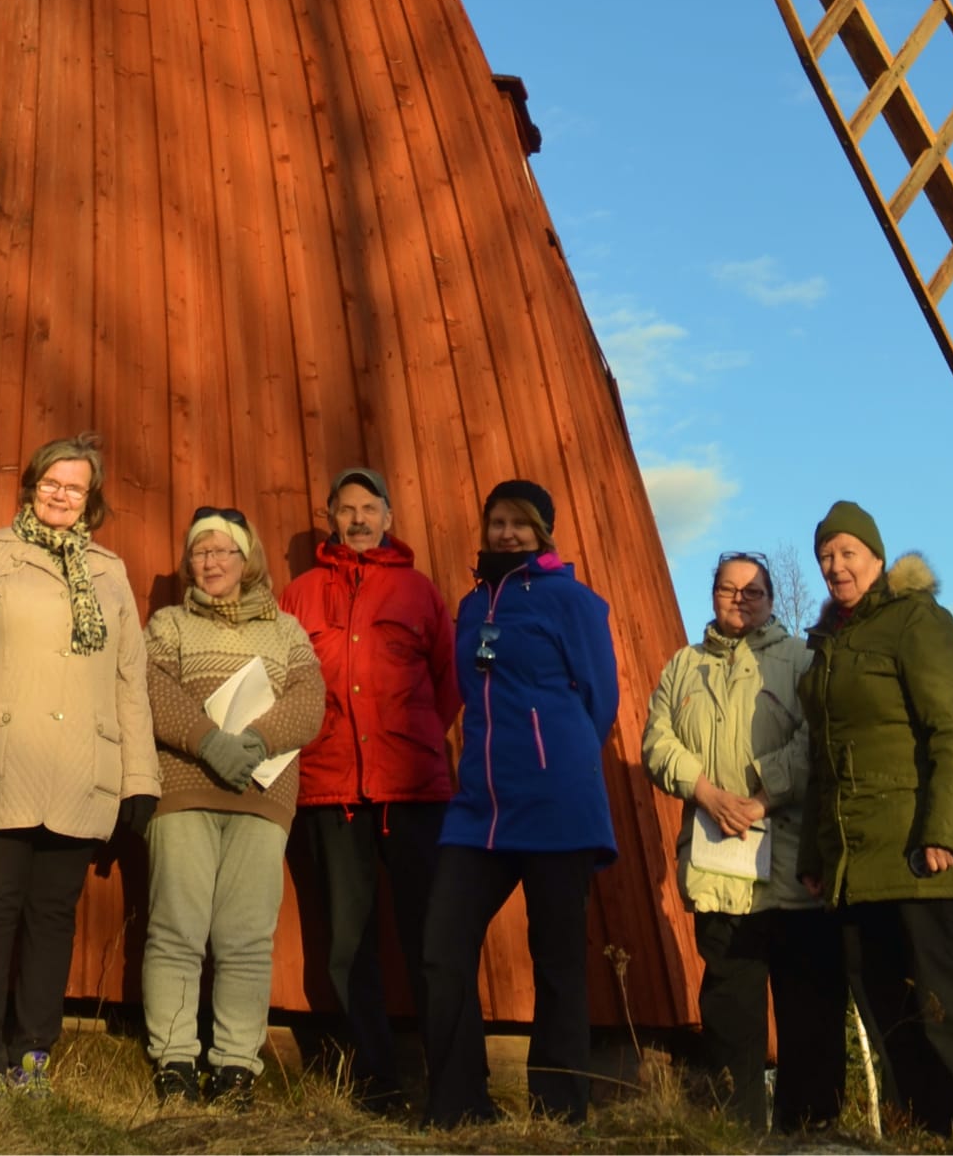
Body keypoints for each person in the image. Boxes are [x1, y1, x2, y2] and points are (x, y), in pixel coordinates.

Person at [0, 435, 160, 1095]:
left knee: (54, 916)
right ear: (31, 485)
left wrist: (140, 777)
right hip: (1, 762)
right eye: (51, 481)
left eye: (74, 486)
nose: (60, 494)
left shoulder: (111, 573)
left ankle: (33, 1055)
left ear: (91, 499)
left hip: (81, 770)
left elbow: (130, 680)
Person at [420, 478, 618, 1129]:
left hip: (556, 802)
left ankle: (558, 1112)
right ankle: (459, 1105)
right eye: (496, 521)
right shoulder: (472, 606)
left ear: (542, 530)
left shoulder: (571, 598)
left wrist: (553, 758)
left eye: (519, 522)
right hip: (481, 806)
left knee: (557, 958)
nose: (506, 532)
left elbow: (600, 700)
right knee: (443, 948)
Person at [798, 500, 953, 1140]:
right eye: (826, 556)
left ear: (877, 558)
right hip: (857, 867)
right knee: (888, 1012)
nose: (835, 566)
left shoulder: (917, 622)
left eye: (847, 553)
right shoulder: (829, 644)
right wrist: (812, 856)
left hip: (919, 856)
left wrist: (944, 833)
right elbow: (822, 764)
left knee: (942, 1009)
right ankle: (925, 1137)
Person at [643, 548, 847, 1131]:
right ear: (712, 596)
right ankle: (737, 1133)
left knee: (807, 1012)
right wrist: (705, 791)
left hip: (791, 868)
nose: (740, 599)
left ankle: (809, 1135)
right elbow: (657, 742)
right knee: (730, 1014)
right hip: (718, 869)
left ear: (772, 599)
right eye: (728, 590)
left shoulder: (802, 661)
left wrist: (760, 796)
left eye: (752, 591)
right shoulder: (683, 666)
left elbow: (817, 740)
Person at [280, 465, 460, 1111]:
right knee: (348, 946)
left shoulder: (419, 592)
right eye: (346, 507)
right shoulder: (298, 595)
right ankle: (377, 1084)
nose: (357, 518)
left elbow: (449, 680)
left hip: (412, 793)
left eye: (369, 507)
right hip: (331, 792)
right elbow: (281, 681)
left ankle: (451, 1086)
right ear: (332, 516)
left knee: (430, 938)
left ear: (388, 516)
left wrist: (409, 743)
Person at [141, 505, 325, 1108]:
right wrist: (208, 742)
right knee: (177, 930)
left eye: (223, 551)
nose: (211, 561)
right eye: (200, 551)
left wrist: (255, 743)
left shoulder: (285, 631)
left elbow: (310, 699)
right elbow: (151, 686)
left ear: (248, 561)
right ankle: (173, 1060)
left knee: (246, 938)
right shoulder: (167, 625)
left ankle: (235, 1067)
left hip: (261, 797)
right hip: (184, 791)